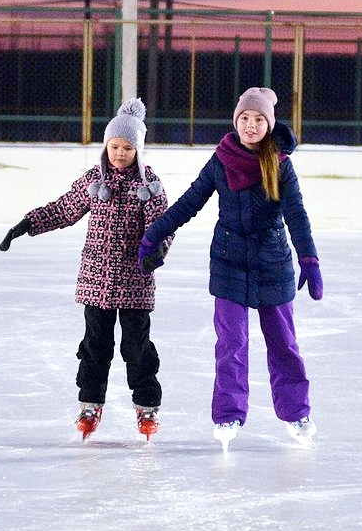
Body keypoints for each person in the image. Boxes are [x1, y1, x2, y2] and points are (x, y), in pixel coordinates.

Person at [138, 87, 322, 448]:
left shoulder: (280, 164)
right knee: (231, 344)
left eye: (258, 120)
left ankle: (296, 412)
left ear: (268, 125)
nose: (250, 126)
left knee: (284, 344)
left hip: (272, 263)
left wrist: (309, 258)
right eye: (244, 119)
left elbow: (296, 215)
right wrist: (152, 236)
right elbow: (189, 202)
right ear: (236, 121)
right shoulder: (221, 160)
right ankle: (228, 415)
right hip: (229, 264)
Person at [0, 98, 171, 441]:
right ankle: (90, 403)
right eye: (114, 146)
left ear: (138, 150)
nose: (120, 153)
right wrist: (27, 224)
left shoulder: (149, 185)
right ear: (106, 146)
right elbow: (64, 209)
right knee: (95, 346)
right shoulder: (94, 180)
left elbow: (162, 225)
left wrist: (155, 253)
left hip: (136, 282)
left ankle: (147, 407)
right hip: (96, 281)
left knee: (136, 348)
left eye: (127, 147)